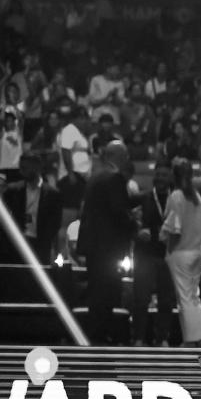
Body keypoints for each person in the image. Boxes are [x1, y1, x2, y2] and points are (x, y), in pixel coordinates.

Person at [76, 141, 139, 345]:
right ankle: (100, 335)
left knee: (97, 290)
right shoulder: (114, 177)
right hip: (107, 246)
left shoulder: (96, 176)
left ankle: (95, 334)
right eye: (125, 155)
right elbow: (118, 210)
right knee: (107, 292)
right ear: (119, 156)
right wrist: (135, 227)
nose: (127, 159)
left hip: (93, 244)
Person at [161, 158, 201, 347]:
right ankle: (200, 338)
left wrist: (169, 250)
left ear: (174, 175)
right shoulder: (197, 197)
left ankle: (191, 340)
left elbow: (174, 230)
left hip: (182, 252)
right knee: (193, 296)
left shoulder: (176, 196)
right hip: (198, 250)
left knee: (185, 297)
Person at [132, 161, 176, 347]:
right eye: (157, 174)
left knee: (166, 299)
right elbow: (128, 218)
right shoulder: (143, 198)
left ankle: (163, 337)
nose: (159, 178)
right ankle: (139, 338)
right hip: (145, 254)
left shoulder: (177, 200)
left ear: (171, 178)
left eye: (164, 175)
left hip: (168, 254)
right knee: (141, 297)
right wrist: (137, 230)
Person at [2, 151, 63, 265]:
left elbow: (56, 225)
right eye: (21, 168)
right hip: (18, 244)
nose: (22, 171)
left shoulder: (53, 194)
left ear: (37, 167)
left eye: (25, 167)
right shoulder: (13, 191)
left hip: (41, 246)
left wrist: (57, 252)